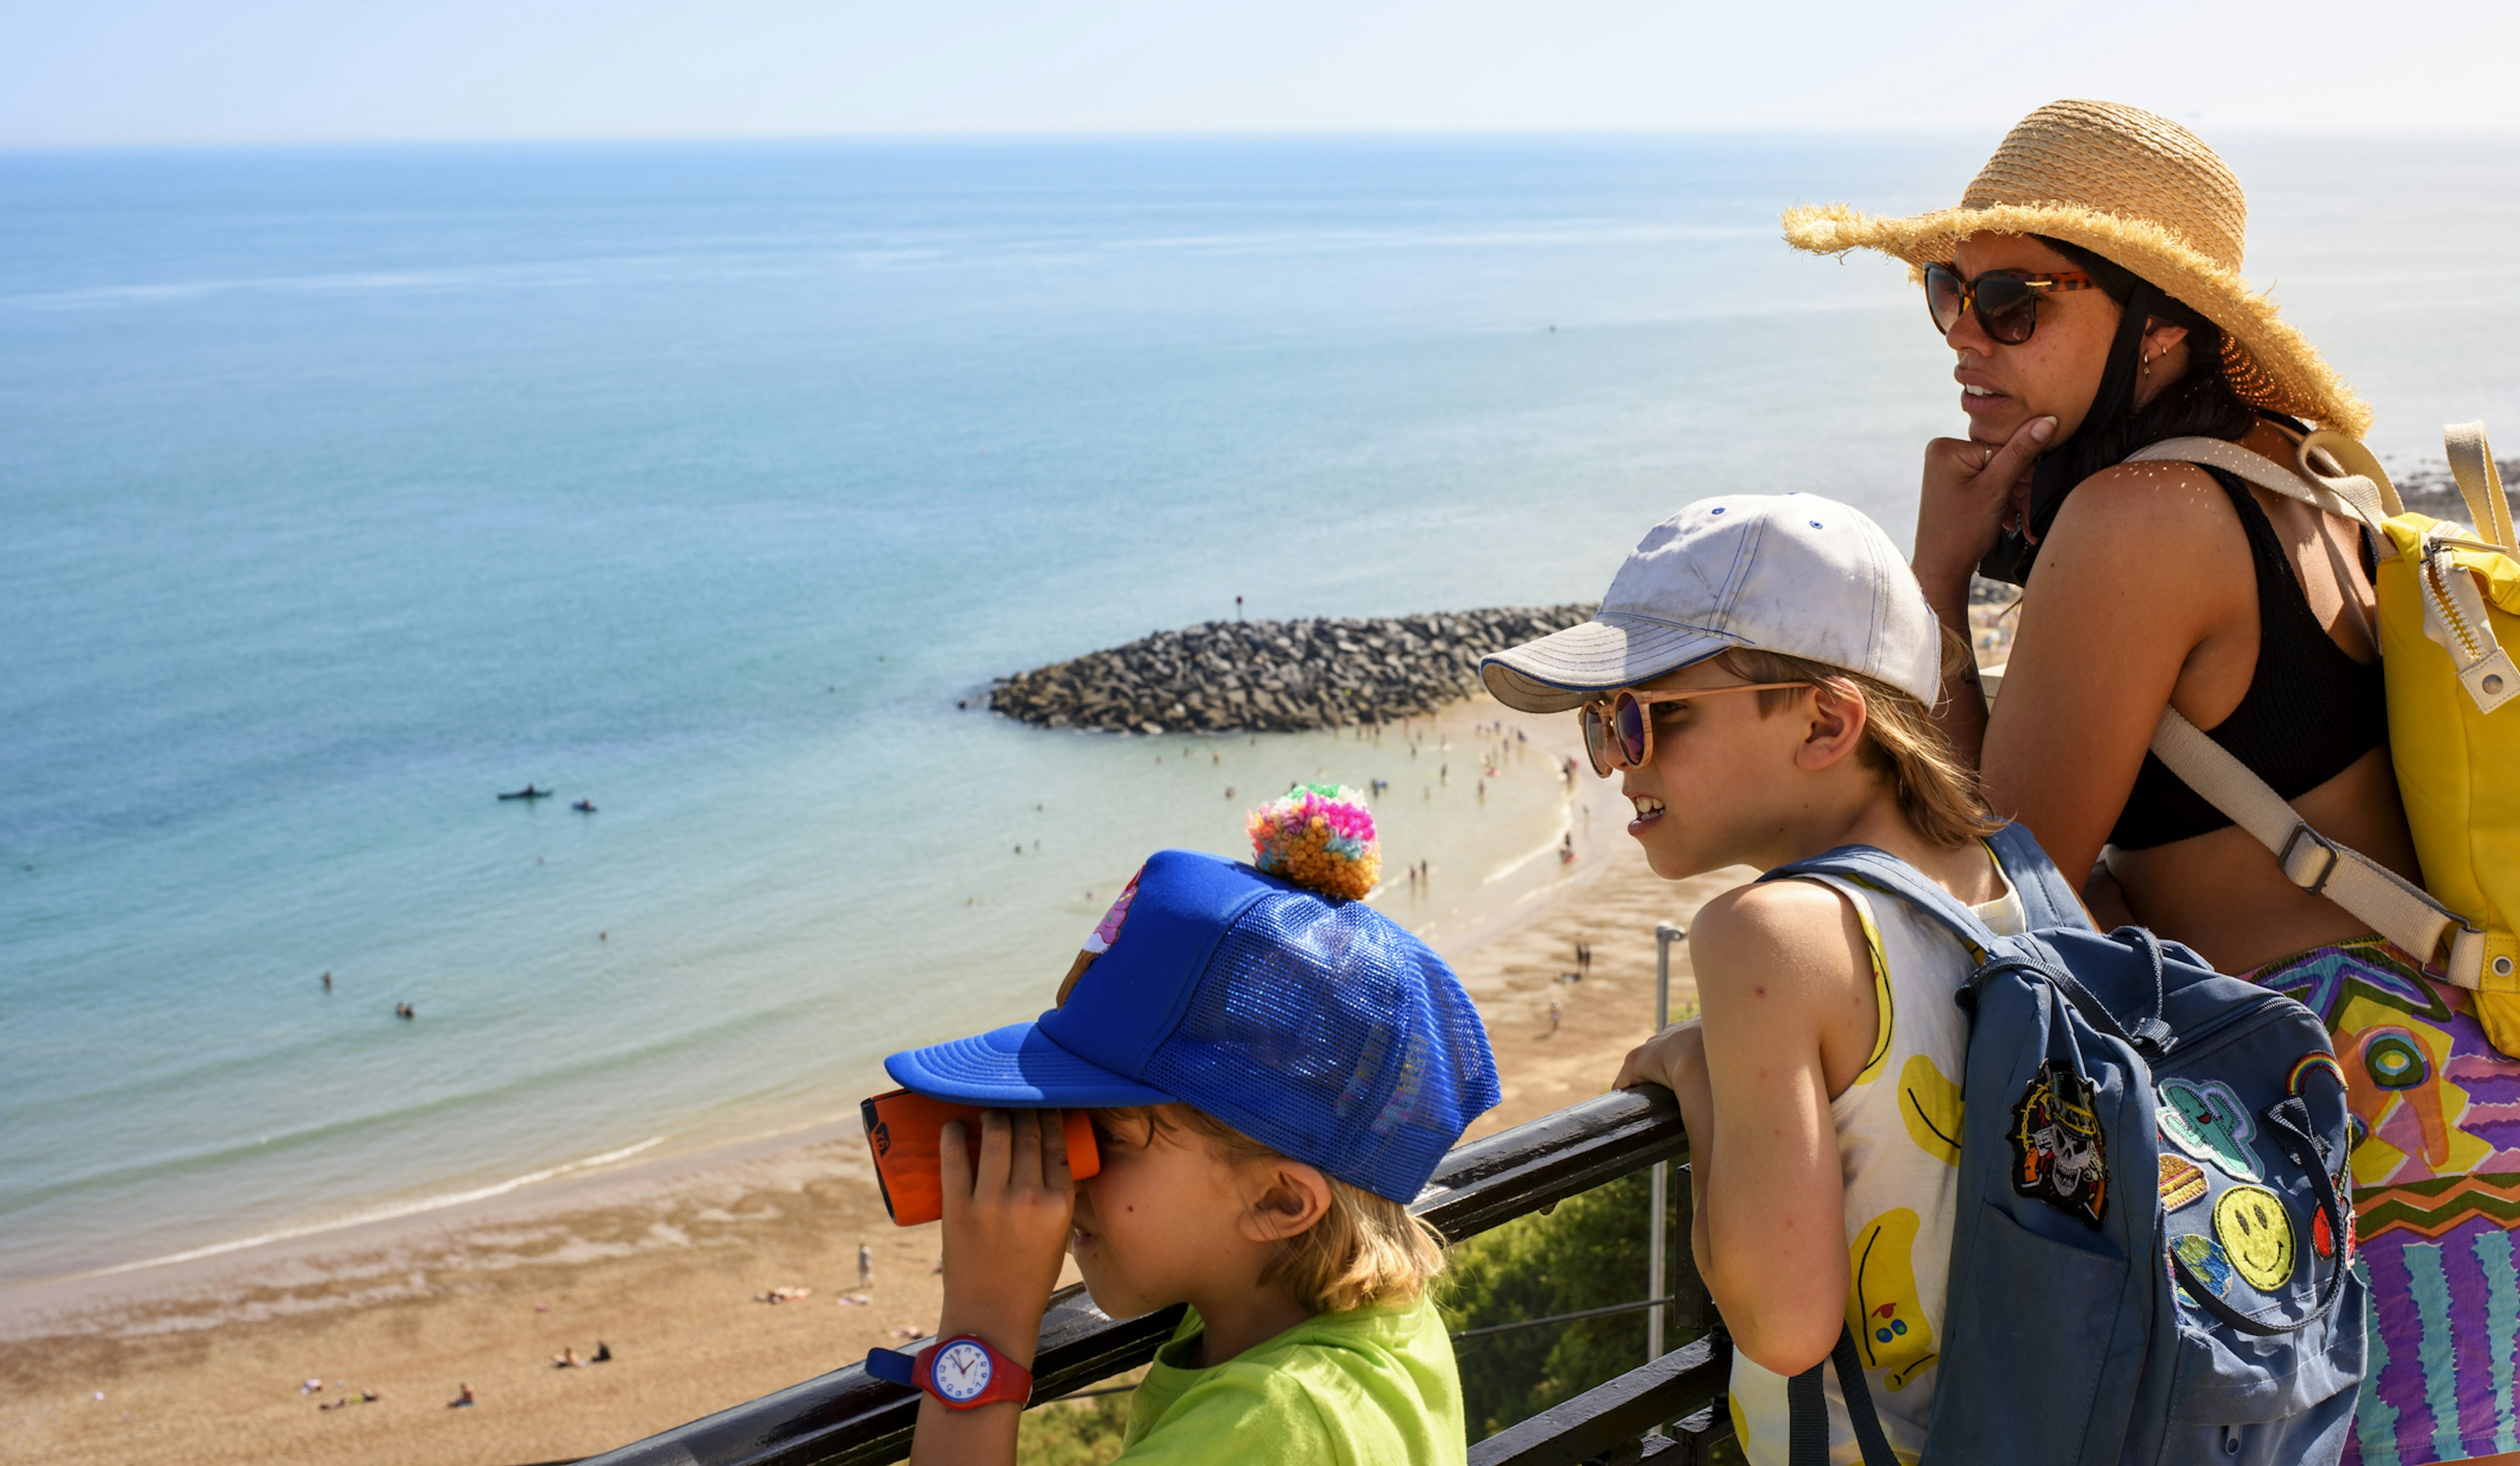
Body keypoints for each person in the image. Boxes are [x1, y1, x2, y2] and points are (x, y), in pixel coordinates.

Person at [1788, 99, 2509, 1465]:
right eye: (1949, 293)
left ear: (2160, 323)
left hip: (2321, 1119)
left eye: (2011, 303)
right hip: (2445, 1086)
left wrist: (1935, 582)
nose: (1961, 338)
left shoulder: (2135, 522)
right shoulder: (2297, 478)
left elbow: (1997, 873)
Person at [1480, 492, 2047, 1464]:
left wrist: (1699, 1074)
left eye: (1645, 719)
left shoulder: (1765, 935)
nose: (1614, 764)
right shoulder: (2019, 875)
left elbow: (1783, 1322)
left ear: (1826, 722)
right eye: (1599, 724)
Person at [874, 835, 1499, 1466]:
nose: (1070, 1165)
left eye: (1108, 1138)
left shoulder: (1267, 1425)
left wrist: (985, 1323)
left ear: (1281, 1200)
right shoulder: (1340, 1312)